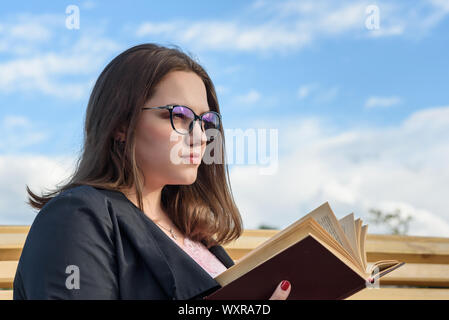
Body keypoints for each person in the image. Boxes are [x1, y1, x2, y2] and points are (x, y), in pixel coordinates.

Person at [13, 43, 292, 300]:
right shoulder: (76, 217)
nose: (202, 137)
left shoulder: (192, 231)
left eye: (206, 121)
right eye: (179, 115)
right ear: (121, 125)